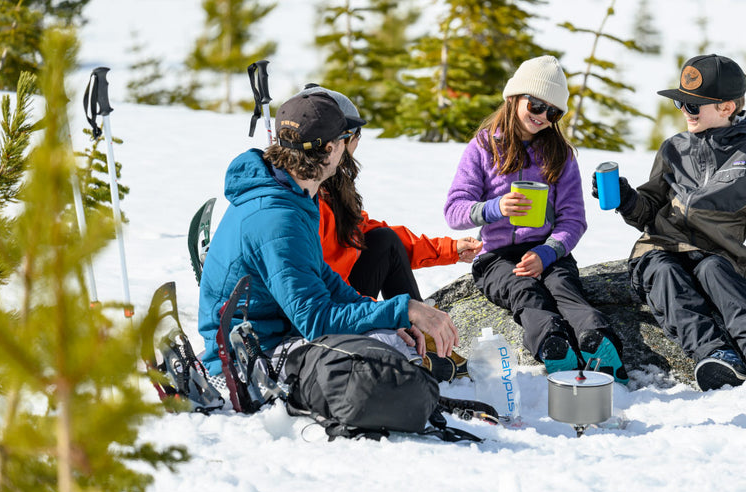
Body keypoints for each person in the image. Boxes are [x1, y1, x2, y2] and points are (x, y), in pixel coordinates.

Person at [198, 91, 458, 380]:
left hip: (274, 335)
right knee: (395, 365)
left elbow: (327, 281)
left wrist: (389, 315)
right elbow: (316, 320)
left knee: (395, 344)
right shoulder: (278, 218)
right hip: (249, 358)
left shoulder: (292, 197)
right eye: (347, 139)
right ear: (332, 148)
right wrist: (402, 309)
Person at [594, 54, 746, 391]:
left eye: (693, 105)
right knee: (664, 273)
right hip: (661, 247)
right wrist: (628, 200)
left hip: (718, 252)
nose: (685, 111)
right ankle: (714, 353)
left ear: (726, 108)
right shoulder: (672, 149)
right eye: (682, 103)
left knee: (714, 272)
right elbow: (649, 209)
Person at [444, 55, 628, 384]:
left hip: (548, 250)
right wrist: (495, 207)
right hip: (496, 256)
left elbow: (573, 219)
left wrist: (547, 253)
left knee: (564, 288)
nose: (542, 117)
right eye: (536, 105)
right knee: (524, 290)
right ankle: (553, 346)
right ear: (514, 98)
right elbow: (455, 210)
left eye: (553, 112)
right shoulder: (484, 147)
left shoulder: (560, 154)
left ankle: (599, 344)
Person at [300, 84, 483, 302]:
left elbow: (366, 232)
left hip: (336, 294)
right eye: (356, 134)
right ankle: (411, 326)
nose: (357, 143)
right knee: (384, 242)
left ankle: (417, 331)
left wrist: (450, 249)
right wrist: (379, 313)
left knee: (384, 240)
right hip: (320, 309)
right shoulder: (307, 199)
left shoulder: (329, 188)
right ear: (338, 141)